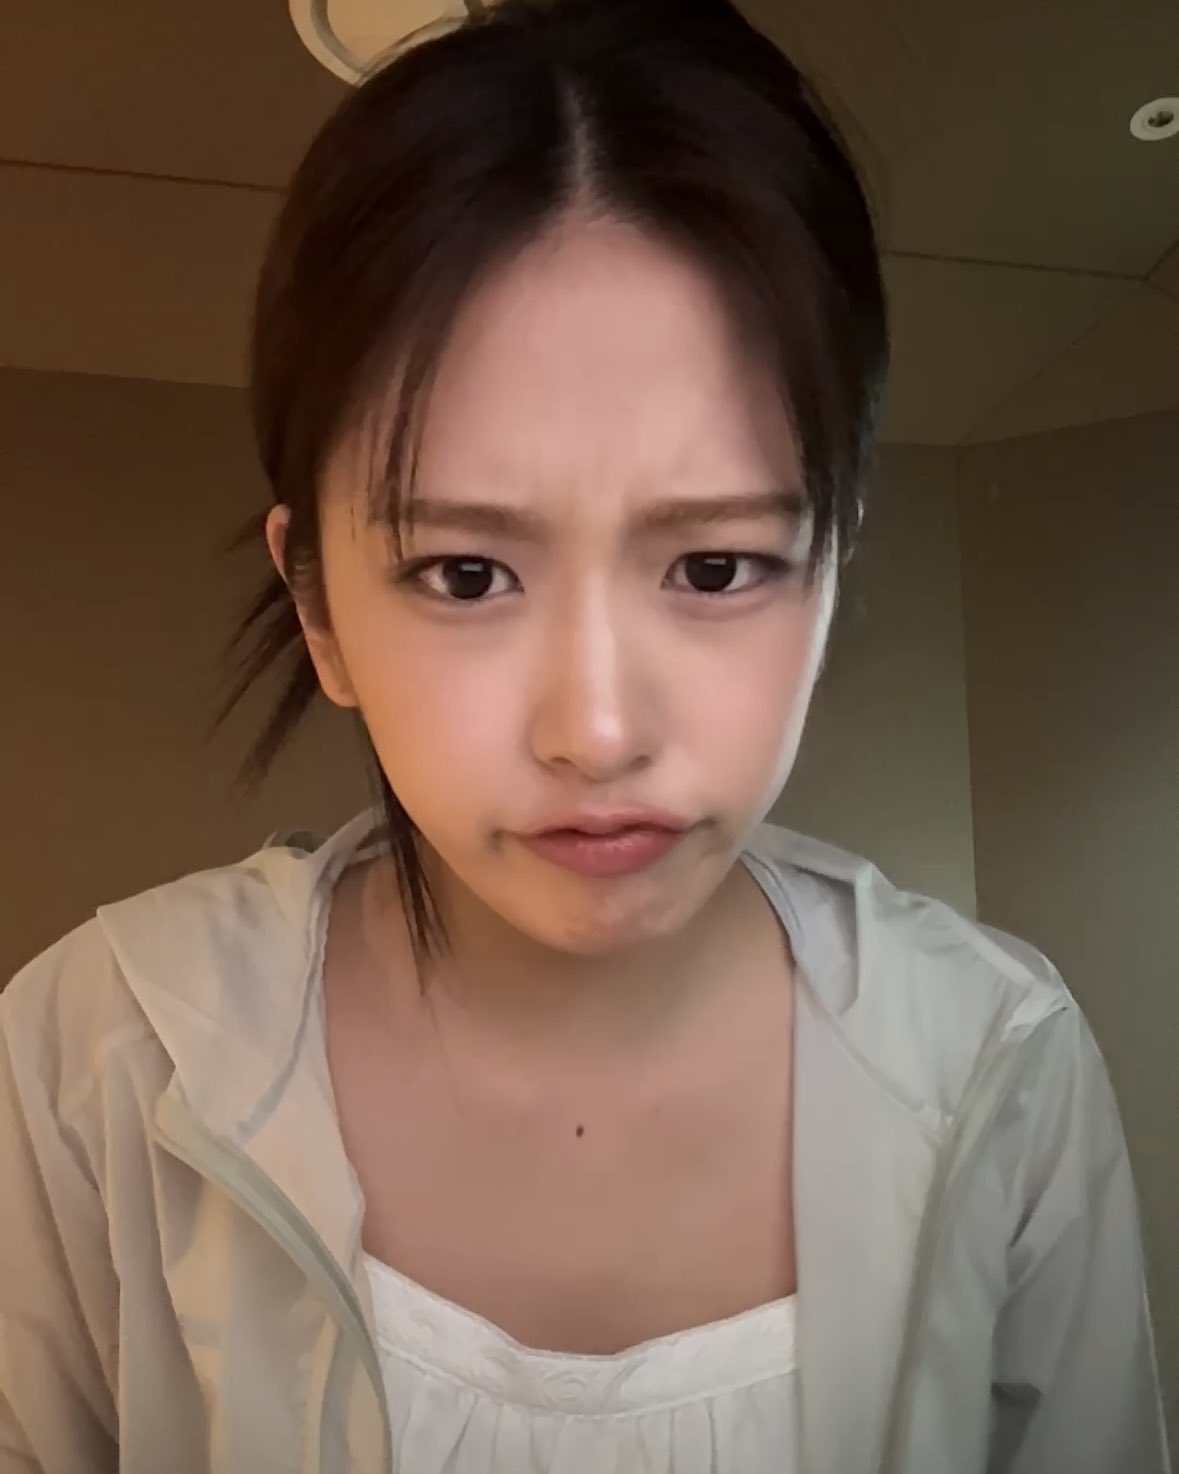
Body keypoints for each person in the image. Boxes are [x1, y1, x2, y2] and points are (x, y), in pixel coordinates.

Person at [0, 0, 1169, 1469]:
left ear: (831, 566)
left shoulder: (1000, 1062)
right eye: (464, 575)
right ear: (319, 607)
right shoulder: (98, 1060)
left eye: (716, 567)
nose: (598, 730)